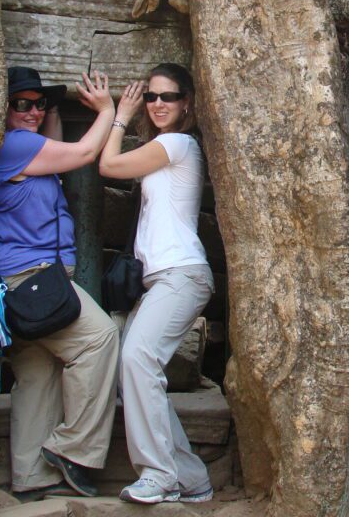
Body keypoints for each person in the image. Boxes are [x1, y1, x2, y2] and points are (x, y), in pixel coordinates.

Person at [0, 66, 120, 500]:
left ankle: (29, 476)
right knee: (100, 338)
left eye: (38, 103)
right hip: (34, 280)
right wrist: (108, 110)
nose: (32, 111)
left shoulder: (26, 146)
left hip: (15, 285)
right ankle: (74, 448)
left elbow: (57, 142)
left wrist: (53, 110)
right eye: (20, 104)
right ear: (0, 108)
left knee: (38, 374)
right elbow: (81, 154)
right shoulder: (15, 145)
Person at [99, 62, 215, 505]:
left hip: (181, 274)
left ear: (186, 103)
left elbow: (108, 165)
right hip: (164, 279)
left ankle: (158, 474)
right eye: (150, 96)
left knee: (136, 359)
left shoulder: (178, 143)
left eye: (168, 96)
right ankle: (191, 477)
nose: (158, 104)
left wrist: (119, 115)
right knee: (134, 375)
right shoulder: (164, 149)